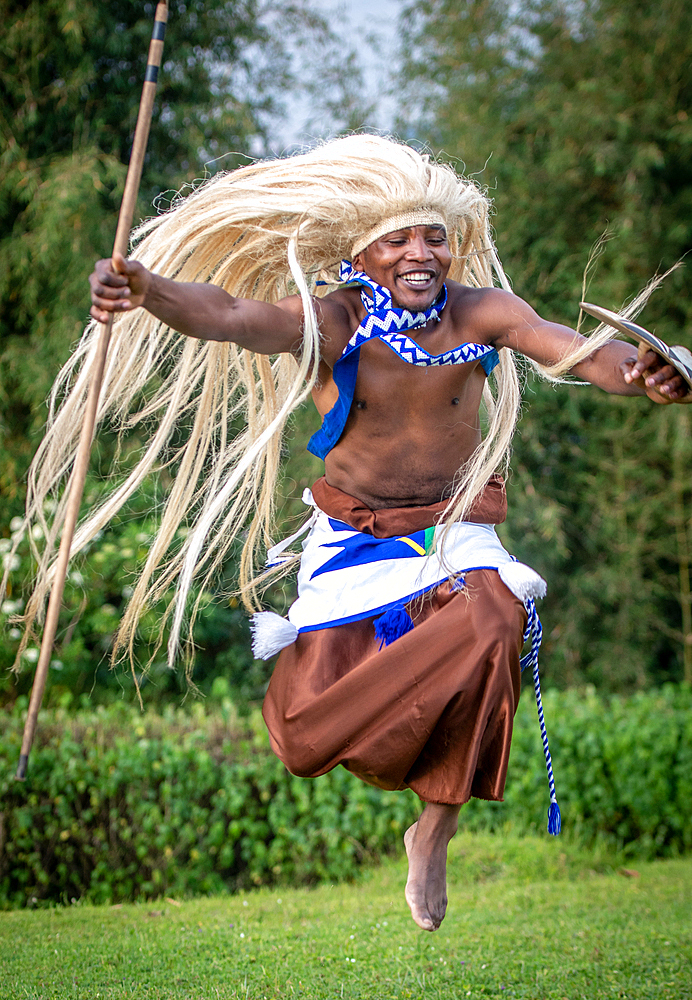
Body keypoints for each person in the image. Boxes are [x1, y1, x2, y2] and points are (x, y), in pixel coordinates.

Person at [24, 136, 692, 932]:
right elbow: (233, 315)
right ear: (363, 255)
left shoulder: (483, 313)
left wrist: (655, 367)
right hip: (354, 537)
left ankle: (434, 830)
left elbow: (584, 355)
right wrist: (147, 287)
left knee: (496, 621)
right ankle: (381, 750)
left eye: (434, 236)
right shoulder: (335, 321)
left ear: (454, 245)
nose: (420, 252)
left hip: (454, 530)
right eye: (399, 238)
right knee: (305, 732)